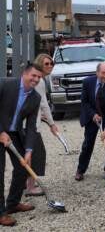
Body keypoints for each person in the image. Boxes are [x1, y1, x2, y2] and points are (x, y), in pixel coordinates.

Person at [0, 64, 42, 226]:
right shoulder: (5, 84)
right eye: (33, 75)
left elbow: (31, 126)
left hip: (14, 133)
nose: (36, 79)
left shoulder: (35, 98)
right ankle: (1, 212)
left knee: (22, 167)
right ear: (24, 74)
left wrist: (29, 150)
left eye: (39, 77)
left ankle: (12, 204)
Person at [75, 62, 105, 181]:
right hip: (91, 118)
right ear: (97, 72)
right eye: (103, 73)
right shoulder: (87, 82)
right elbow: (84, 102)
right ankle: (80, 169)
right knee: (88, 144)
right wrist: (93, 115)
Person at [25, 54, 60, 196]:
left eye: (52, 63)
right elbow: (43, 103)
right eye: (47, 64)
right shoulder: (39, 81)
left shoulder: (33, 78)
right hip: (31, 125)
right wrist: (52, 124)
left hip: (26, 122)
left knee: (26, 154)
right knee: (37, 154)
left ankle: (23, 184)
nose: (50, 66)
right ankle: (31, 187)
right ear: (40, 64)